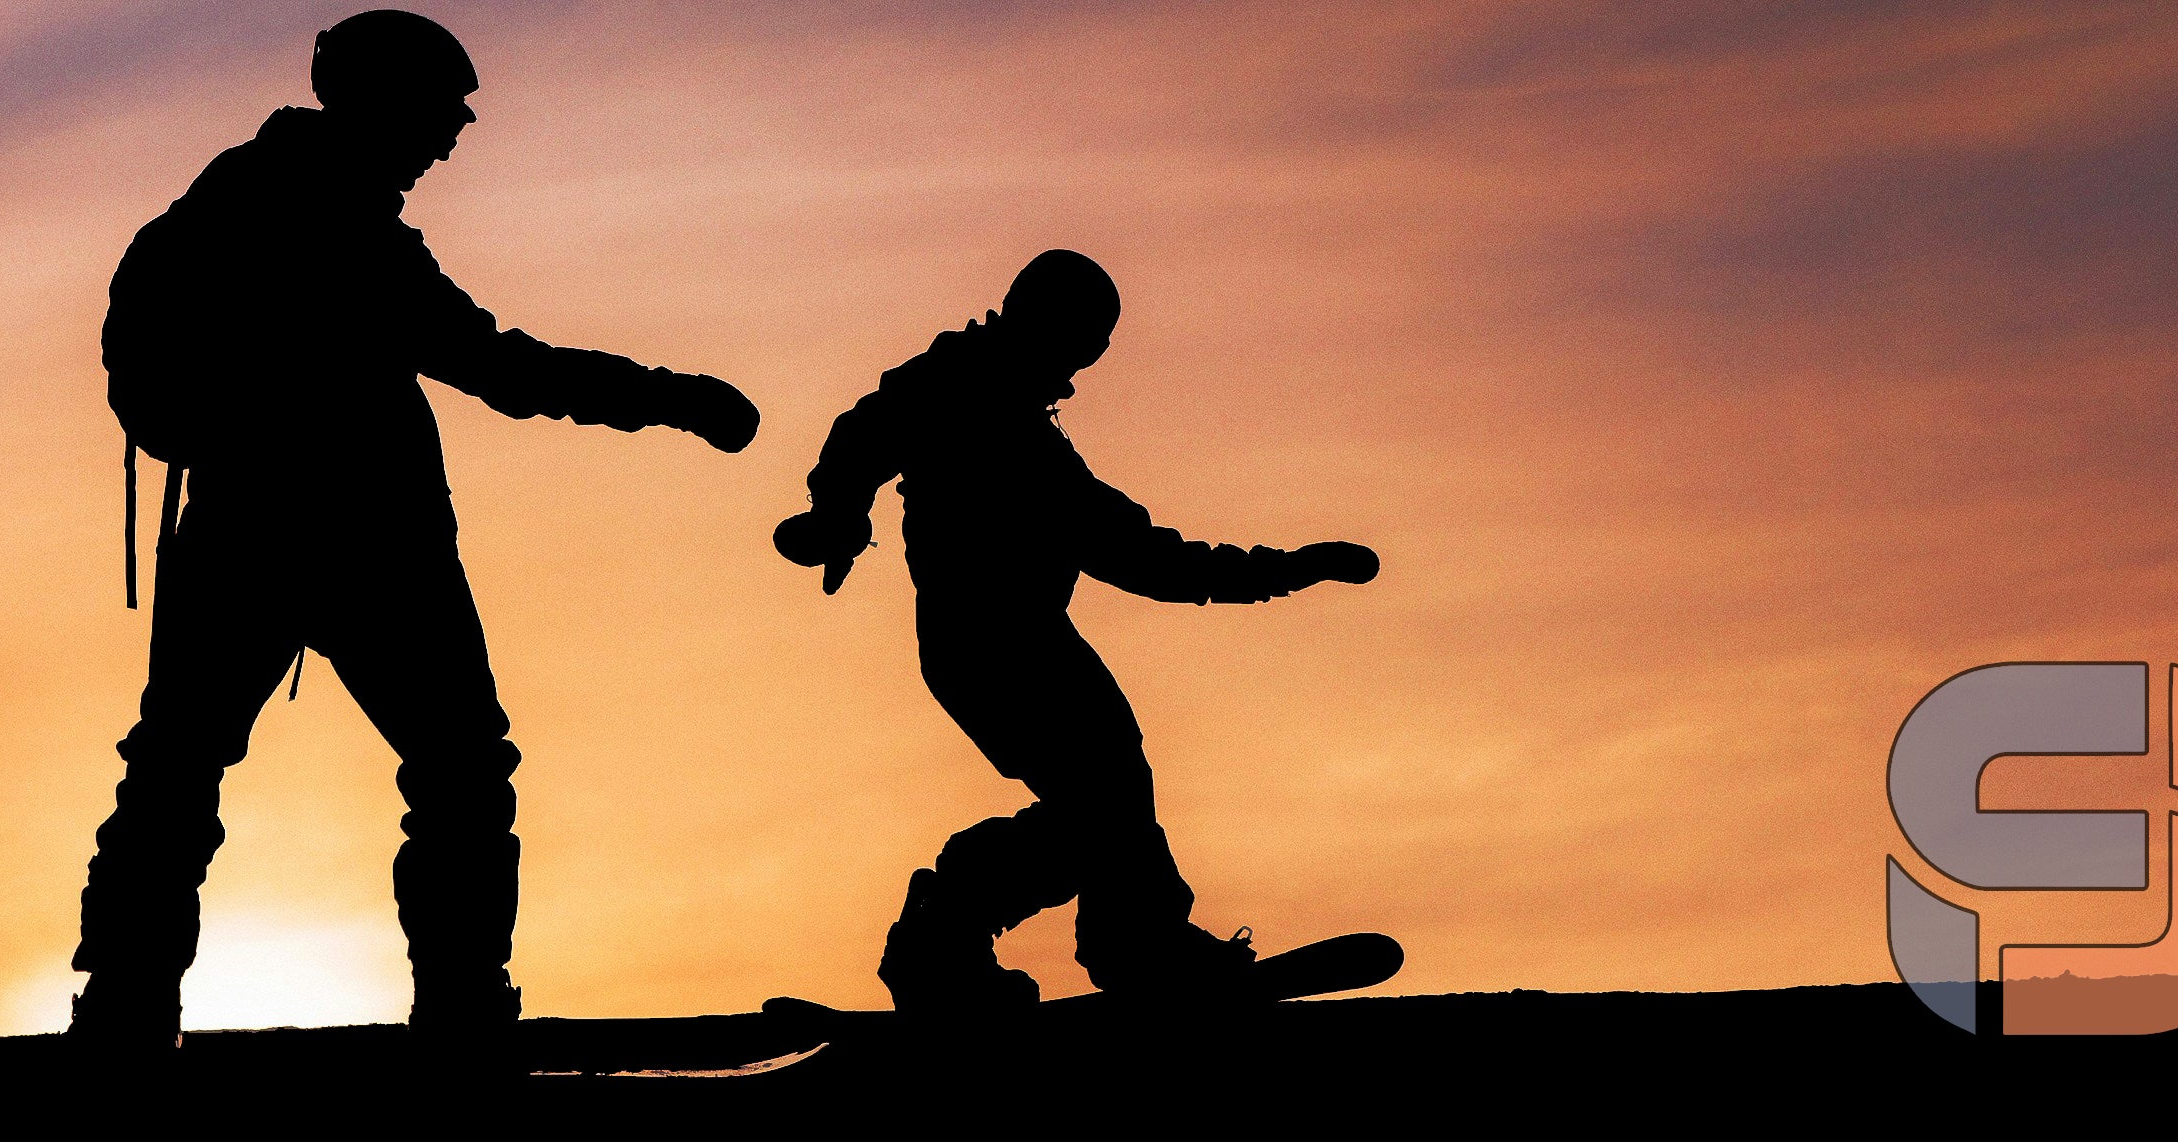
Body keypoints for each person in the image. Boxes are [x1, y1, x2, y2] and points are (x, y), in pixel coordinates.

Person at [71, 9, 761, 1052]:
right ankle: (461, 1002)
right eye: (445, 109)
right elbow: (504, 370)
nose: (456, 132)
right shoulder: (339, 222)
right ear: (386, 100)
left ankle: (125, 1003)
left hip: (247, 529)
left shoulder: (248, 195)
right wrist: (674, 399)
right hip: (366, 541)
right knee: (455, 767)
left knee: (178, 768)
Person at [774, 249, 1378, 1013]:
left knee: (1112, 788)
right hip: (987, 640)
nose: (1080, 366)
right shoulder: (965, 388)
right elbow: (866, 433)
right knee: (1103, 796)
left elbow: (1146, 556)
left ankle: (1107, 935)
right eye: (1081, 343)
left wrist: (1287, 570)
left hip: (1023, 637)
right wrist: (837, 509)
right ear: (1044, 323)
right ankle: (968, 928)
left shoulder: (1020, 429)